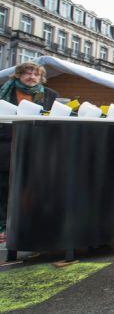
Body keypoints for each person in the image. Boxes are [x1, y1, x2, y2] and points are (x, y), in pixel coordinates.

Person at [0, 62, 59, 242]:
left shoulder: (50, 95)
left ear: (41, 77)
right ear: (18, 75)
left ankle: (28, 221)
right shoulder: (5, 91)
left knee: (31, 185)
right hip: (5, 143)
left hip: (35, 145)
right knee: (4, 185)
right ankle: (3, 224)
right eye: (27, 73)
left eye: (35, 74)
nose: (31, 77)